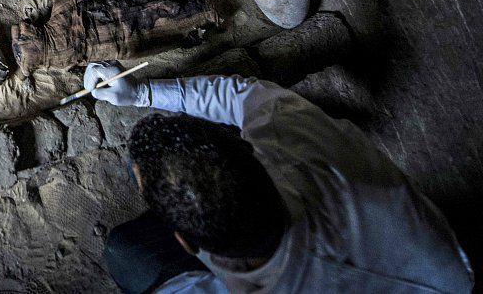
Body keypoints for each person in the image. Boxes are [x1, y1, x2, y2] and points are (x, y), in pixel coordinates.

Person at [83, 62, 474, 293]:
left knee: (126, 250)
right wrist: (140, 92)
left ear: (187, 243)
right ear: (252, 153)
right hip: (433, 265)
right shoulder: (304, 143)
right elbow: (241, 97)